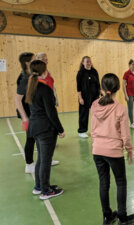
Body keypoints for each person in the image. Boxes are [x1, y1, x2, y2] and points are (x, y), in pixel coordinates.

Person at [91, 73, 134, 225]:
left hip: (97, 150)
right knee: (121, 182)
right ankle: (122, 218)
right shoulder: (120, 109)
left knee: (103, 183)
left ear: (102, 88)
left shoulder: (94, 105)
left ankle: (107, 216)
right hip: (113, 151)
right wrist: (129, 150)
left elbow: (92, 130)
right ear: (118, 88)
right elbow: (125, 135)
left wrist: (97, 143)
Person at [26, 60, 65, 200]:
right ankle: (46, 190)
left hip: (35, 127)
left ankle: (39, 186)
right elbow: (51, 113)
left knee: (41, 159)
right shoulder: (45, 89)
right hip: (45, 129)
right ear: (44, 71)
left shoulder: (31, 86)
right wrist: (60, 129)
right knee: (46, 160)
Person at [76, 56, 101, 138]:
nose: (89, 63)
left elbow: (98, 84)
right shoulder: (80, 73)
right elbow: (78, 87)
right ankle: (82, 131)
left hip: (95, 96)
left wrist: (100, 93)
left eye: (90, 61)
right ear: (83, 63)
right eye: (87, 61)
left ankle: (95, 130)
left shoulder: (94, 71)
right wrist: (80, 98)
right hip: (84, 97)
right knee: (84, 114)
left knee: (96, 114)